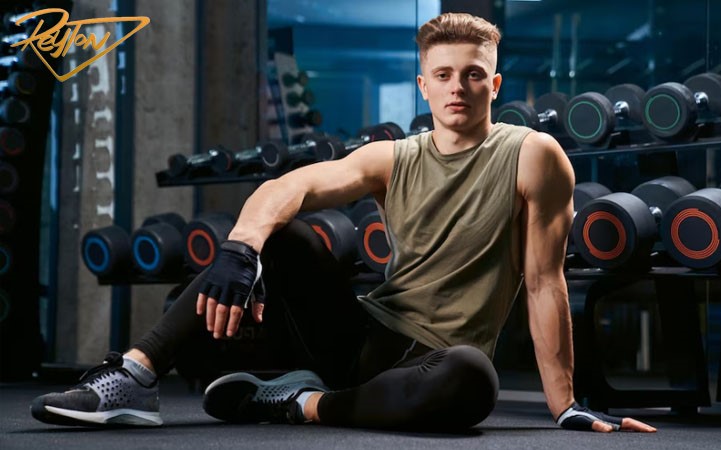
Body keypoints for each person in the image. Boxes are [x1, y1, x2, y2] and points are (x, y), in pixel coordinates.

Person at [32, 12, 655, 433]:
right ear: (423, 86)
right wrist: (241, 249)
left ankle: (298, 402)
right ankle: (133, 378)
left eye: (472, 75)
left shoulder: (534, 158)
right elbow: (292, 184)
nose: (457, 88)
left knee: (474, 380)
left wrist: (565, 408)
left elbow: (545, 283)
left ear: (494, 82)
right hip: (361, 336)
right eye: (443, 76)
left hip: (437, 362)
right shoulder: (394, 157)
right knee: (282, 232)